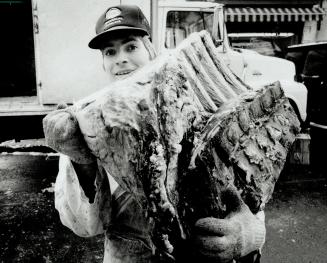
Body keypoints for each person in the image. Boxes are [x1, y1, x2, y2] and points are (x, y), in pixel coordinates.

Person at [51, 5, 266, 263]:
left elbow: (250, 191)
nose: (120, 58)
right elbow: (84, 226)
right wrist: (81, 161)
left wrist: (248, 233)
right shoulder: (88, 125)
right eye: (110, 52)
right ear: (104, 63)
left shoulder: (194, 103)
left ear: (150, 49)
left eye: (130, 47)